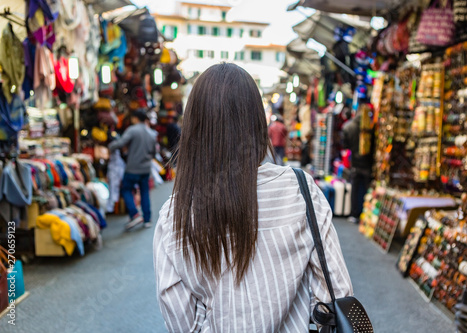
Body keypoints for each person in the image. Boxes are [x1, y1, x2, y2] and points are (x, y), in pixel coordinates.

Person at [153, 63, 352, 332]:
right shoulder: (300, 190)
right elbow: (336, 292)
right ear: (258, 123)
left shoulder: (174, 214)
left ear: (193, 129)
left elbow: (182, 322)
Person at [109, 109, 157, 230]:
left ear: (135, 118)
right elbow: (153, 153)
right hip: (146, 168)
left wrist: (111, 146)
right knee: (145, 192)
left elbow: (121, 143)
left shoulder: (133, 130)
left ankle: (134, 214)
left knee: (126, 189)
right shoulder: (151, 133)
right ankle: (147, 219)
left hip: (133, 168)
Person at [341, 110, 374, 224]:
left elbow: (345, 145)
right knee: (366, 190)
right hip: (367, 164)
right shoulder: (370, 127)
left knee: (355, 190)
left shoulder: (348, 127)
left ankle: (354, 214)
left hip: (355, 163)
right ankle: (366, 215)